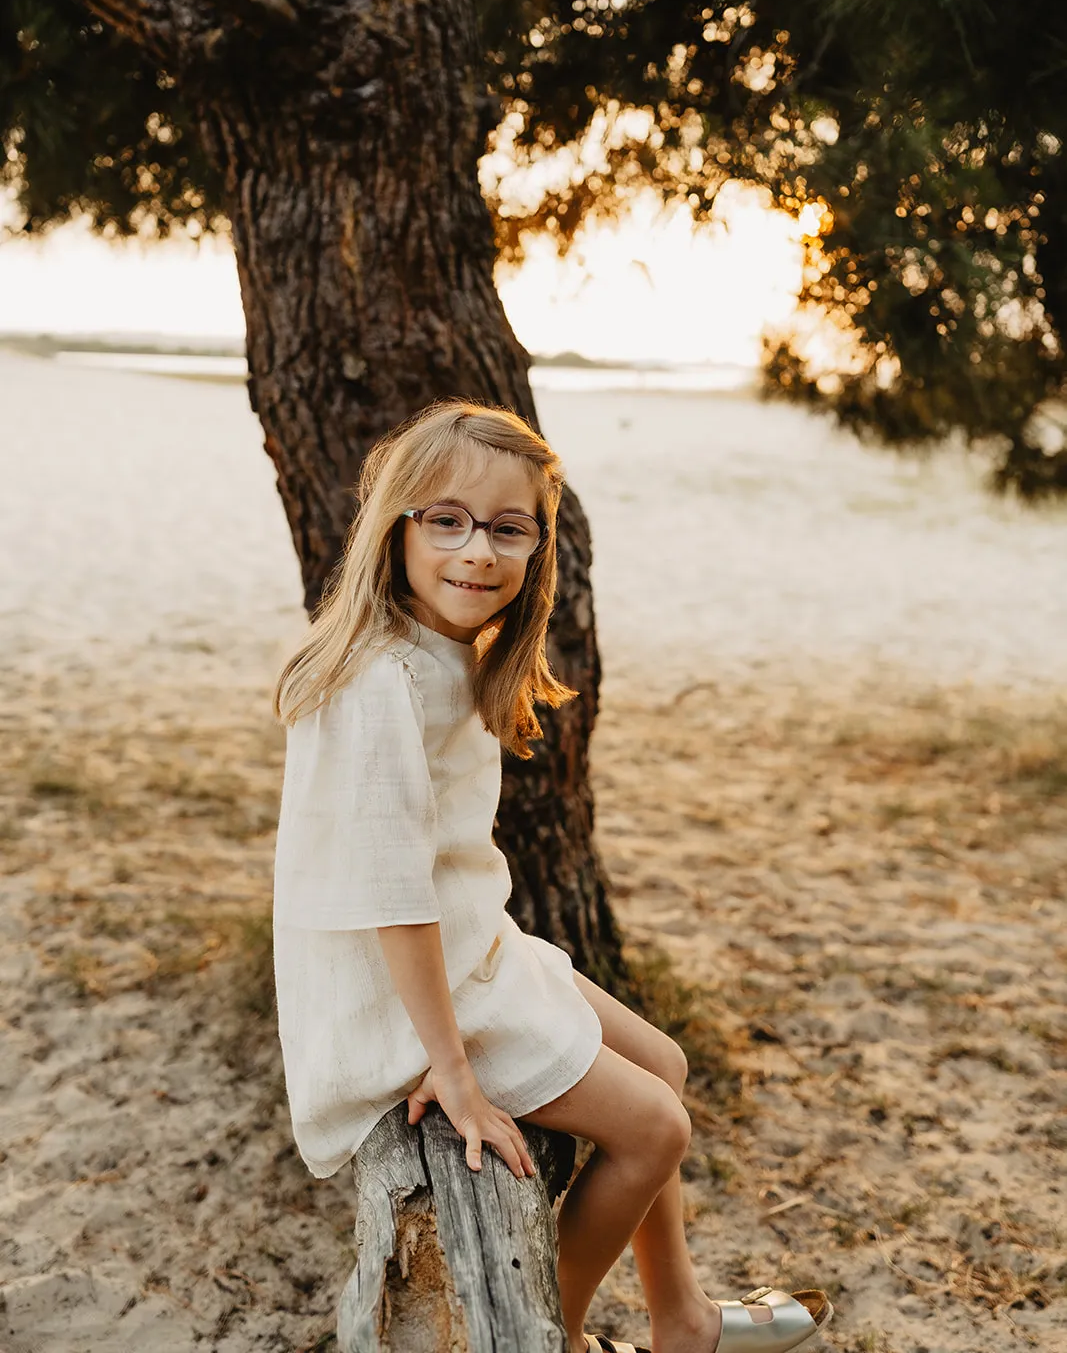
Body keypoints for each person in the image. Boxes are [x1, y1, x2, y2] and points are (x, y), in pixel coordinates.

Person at [272, 398, 832, 1353]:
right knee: (655, 1128)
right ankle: (551, 1336)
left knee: (664, 1064)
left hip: (468, 953)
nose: (475, 551)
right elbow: (391, 902)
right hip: (396, 1002)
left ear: (537, 547)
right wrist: (450, 1073)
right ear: (394, 528)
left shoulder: (444, 655)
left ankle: (681, 1319)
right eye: (443, 520)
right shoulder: (377, 683)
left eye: (506, 528)